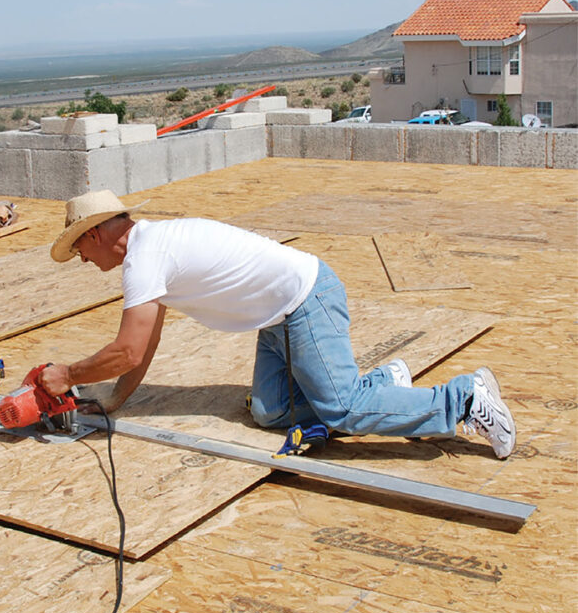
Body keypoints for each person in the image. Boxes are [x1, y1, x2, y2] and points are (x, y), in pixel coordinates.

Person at [39, 190, 516, 458]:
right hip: (279, 316)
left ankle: (465, 399)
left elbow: (127, 351)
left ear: (96, 234)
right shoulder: (152, 247)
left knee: (342, 412)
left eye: (78, 248)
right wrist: (117, 400)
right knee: (269, 412)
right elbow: (146, 341)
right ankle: (384, 384)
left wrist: (67, 375)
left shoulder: (145, 258)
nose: (81, 258)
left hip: (306, 300)